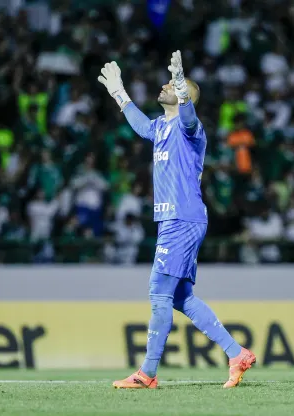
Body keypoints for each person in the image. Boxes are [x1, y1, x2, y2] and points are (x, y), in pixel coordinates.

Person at [97, 52, 257, 389]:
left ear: (186, 95)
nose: (164, 85)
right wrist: (119, 93)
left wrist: (183, 91)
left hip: (181, 219)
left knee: (158, 293)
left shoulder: (191, 129)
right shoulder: (159, 127)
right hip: (177, 219)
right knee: (181, 297)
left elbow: (187, 118)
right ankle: (236, 353)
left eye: (171, 84)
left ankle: (147, 373)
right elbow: (141, 126)